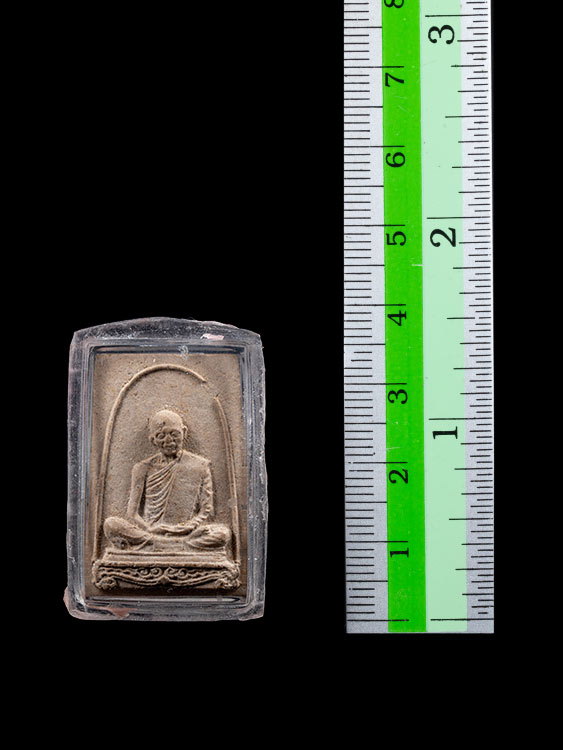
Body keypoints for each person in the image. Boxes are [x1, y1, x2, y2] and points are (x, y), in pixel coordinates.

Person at [103, 409, 230, 551]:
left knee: (223, 534)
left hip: (187, 532)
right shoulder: (142, 468)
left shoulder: (200, 465)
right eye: (161, 436)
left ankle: (161, 545)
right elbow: (132, 513)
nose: (168, 441)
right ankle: (176, 545)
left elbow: (206, 511)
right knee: (111, 524)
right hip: (150, 531)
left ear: (184, 432)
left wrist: (183, 529)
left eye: (174, 434)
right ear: (152, 440)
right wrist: (150, 529)